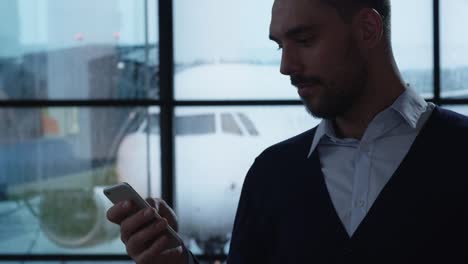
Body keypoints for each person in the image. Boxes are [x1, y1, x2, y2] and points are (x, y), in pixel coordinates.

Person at [106, 0, 468, 263]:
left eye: (305, 40)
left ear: (368, 29)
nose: (285, 66)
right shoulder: (271, 174)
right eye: (280, 45)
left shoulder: (458, 152)